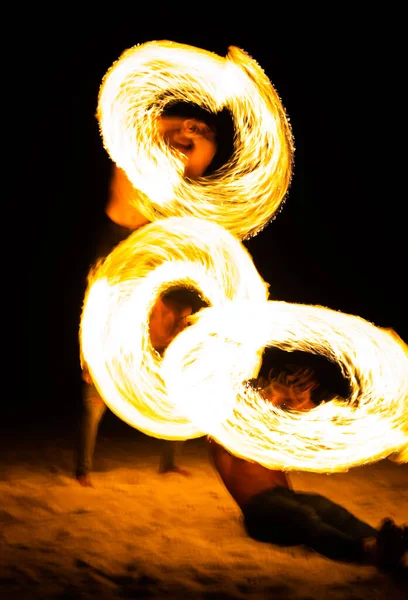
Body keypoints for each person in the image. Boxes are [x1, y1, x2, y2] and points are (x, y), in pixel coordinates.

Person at [75, 102, 232, 487]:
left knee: (170, 353)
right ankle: (82, 468)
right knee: (99, 370)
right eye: (178, 138)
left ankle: (169, 461)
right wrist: (181, 125)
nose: (182, 145)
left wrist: (200, 136)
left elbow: (200, 162)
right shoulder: (134, 153)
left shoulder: (176, 170)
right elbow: (118, 115)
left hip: (150, 250)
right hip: (119, 243)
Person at [208, 366, 408, 569]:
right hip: (259, 514)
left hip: (286, 497)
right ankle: (366, 550)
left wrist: (301, 400)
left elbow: (309, 424)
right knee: (303, 515)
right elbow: (249, 420)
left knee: (325, 507)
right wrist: (275, 393)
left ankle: (382, 542)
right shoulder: (223, 438)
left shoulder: (266, 434)